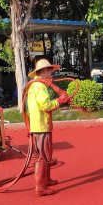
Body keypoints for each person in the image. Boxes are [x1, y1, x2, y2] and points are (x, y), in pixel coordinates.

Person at [26, 59, 70, 196]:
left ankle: (46, 180)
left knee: (46, 154)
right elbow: (45, 106)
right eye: (50, 70)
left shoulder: (35, 85)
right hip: (41, 126)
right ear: (44, 71)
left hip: (39, 125)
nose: (52, 73)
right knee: (43, 156)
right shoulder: (39, 86)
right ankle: (40, 187)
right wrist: (60, 100)